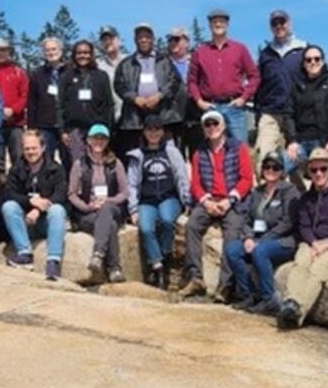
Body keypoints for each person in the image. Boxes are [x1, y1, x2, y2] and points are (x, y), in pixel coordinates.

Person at [277, 148, 328, 329]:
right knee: (301, 262)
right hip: (314, 242)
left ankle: (298, 312)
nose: (319, 173)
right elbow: (304, 227)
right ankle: (290, 302)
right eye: (314, 170)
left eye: (323, 169)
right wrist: (314, 244)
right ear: (309, 173)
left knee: (319, 269)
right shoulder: (306, 198)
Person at [179, 109, 253, 301]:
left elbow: (246, 179)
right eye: (208, 125)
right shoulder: (199, 152)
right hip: (210, 200)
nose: (212, 128)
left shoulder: (239, 148)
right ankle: (196, 277)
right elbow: (195, 184)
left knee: (232, 234)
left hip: (232, 200)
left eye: (215, 123)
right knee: (192, 226)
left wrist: (230, 200)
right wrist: (206, 201)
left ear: (223, 126)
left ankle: (226, 285)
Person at [224, 152, 300, 315]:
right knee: (232, 250)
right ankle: (248, 294)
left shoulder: (289, 191)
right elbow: (248, 219)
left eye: (275, 167)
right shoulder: (257, 192)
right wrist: (248, 237)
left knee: (260, 251)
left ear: (282, 170)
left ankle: (268, 299)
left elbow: (288, 222)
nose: (270, 170)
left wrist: (262, 240)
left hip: (284, 240)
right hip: (258, 237)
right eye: (267, 166)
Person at [127, 114, 190, 289]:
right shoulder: (137, 155)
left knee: (167, 220)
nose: (153, 133)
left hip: (169, 197)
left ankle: (166, 255)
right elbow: (132, 184)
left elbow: (181, 176)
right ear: (144, 132)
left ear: (163, 131)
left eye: (157, 129)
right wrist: (133, 209)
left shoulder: (172, 152)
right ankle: (158, 266)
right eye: (150, 129)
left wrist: (187, 201)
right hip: (146, 200)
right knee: (146, 228)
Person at [1, 130, 68, 280]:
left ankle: (53, 261)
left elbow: (60, 195)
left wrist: (38, 209)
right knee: (9, 206)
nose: (31, 152)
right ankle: (24, 253)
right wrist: (30, 201)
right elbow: (8, 193)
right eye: (27, 148)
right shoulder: (17, 169)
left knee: (57, 210)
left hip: (46, 222)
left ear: (43, 148)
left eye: (34, 148)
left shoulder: (55, 169)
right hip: (25, 223)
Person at [187, 8, 259, 144]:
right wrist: (199, 101)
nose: (218, 25)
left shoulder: (240, 49)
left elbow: (254, 76)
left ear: (227, 24)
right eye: (215, 22)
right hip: (211, 107)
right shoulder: (200, 52)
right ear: (209, 25)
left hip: (235, 108)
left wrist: (244, 98)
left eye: (221, 22)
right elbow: (192, 81)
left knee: (240, 149)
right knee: (212, 150)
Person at [68, 124, 128, 284]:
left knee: (107, 209)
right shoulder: (79, 164)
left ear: (107, 141)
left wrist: (107, 201)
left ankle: (98, 254)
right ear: (88, 140)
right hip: (89, 213)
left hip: (112, 206)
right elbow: (72, 194)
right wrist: (88, 207)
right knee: (111, 226)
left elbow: (124, 193)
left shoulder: (116, 163)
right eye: (95, 138)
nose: (98, 142)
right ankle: (114, 268)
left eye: (102, 138)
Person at [114, 23, 183, 156]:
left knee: (167, 153)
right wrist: (134, 98)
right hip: (135, 117)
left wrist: (160, 96)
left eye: (147, 37)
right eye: (140, 37)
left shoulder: (165, 60)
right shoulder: (126, 64)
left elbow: (175, 82)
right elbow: (119, 86)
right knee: (138, 155)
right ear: (135, 40)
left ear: (153, 39)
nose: (143, 40)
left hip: (162, 114)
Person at [285, 44, 328, 183]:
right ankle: (300, 199)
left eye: (317, 59)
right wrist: (292, 140)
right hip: (301, 142)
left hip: (324, 141)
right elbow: (288, 113)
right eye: (308, 60)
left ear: (323, 61)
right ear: (304, 63)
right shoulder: (297, 85)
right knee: (281, 165)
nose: (313, 62)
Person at [254, 10, 306, 173]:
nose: (279, 26)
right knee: (263, 159)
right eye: (274, 23)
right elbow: (258, 83)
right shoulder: (266, 54)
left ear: (289, 23)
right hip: (270, 113)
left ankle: (295, 195)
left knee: (293, 160)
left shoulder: (304, 50)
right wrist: (258, 112)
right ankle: (265, 195)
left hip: (297, 114)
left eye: (282, 22)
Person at [57, 40, 114, 171]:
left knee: (97, 162)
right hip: (74, 128)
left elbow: (108, 104)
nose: (83, 56)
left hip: (97, 127)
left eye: (86, 53)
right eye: (79, 53)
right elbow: (60, 105)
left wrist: (109, 128)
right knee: (77, 164)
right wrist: (62, 130)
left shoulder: (101, 76)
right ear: (74, 55)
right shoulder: (66, 77)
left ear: (92, 54)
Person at [0, 37, 29, 167]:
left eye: (4, 50)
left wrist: (13, 109)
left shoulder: (18, 72)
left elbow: (25, 95)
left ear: (9, 51)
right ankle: (0, 187)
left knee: (19, 158)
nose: (0, 53)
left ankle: (19, 186)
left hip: (15, 123)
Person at [166, 25, 202, 159]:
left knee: (198, 158)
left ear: (187, 42)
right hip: (173, 120)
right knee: (176, 158)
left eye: (176, 39)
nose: (173, 43)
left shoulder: (197, 61)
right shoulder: (164, 63)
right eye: (170, 40)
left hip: (195, 119)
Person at [27, 37, 65, 160]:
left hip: (66, 125)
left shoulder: (71, 71)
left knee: (69, 160)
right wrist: (31, 129)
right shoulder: (36, 74)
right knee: (45, 160)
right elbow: (32, 102)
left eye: (54, 49)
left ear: (61, 50)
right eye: (47, 50)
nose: (51, 52)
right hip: (45, 125)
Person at [96, 25, 124, 121]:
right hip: (107, 117)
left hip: (129, 117)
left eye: (111, 38)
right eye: (104, 40)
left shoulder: (129, 62)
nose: (107, 42)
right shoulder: (98, 66)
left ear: (119, 40)